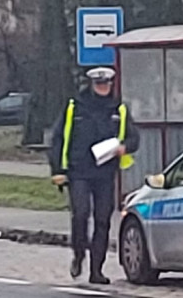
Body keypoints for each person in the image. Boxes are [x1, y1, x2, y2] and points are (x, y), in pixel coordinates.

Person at [49, 67, 140, 284]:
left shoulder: (118, 109)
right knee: (80, 214)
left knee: (102, 220)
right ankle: (79, 254)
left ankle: (96, 270)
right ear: (91, 85)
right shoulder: (75, 107)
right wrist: (57, 171)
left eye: (106, 85)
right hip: (78, 170)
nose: (103, 89)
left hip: (105, 172)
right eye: (99, 85)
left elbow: (133, 138)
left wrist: (124, 148)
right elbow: (58, 138)